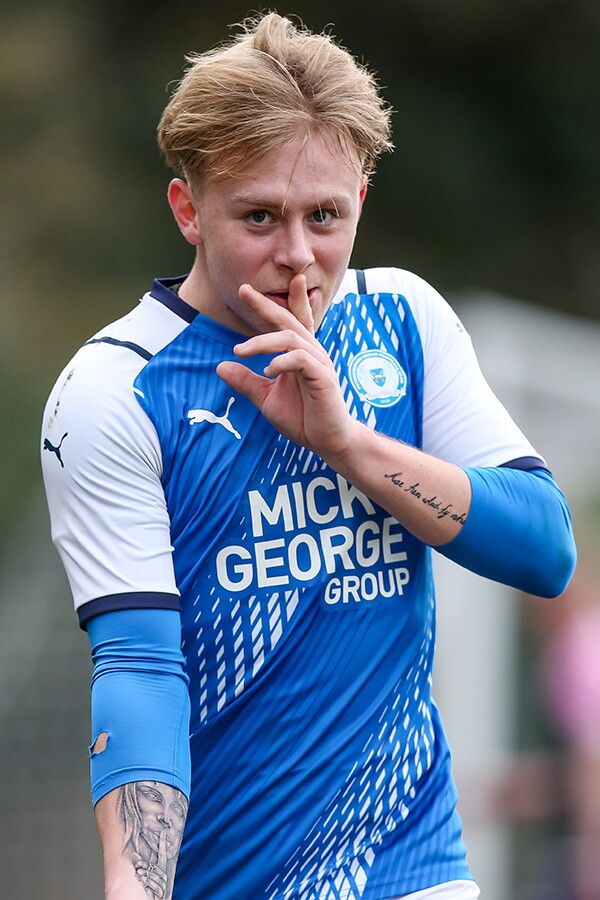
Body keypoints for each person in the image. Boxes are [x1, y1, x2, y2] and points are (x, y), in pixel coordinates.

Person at [40, 12, 576, 900]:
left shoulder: (402, 321)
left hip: (414, 872)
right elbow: (139, 665)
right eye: (259, 217)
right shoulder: (115, 389)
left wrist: (351, 445)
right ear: (188, 210)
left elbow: (545, 547)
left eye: (325, 215)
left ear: (362, 196)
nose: (299, 259)